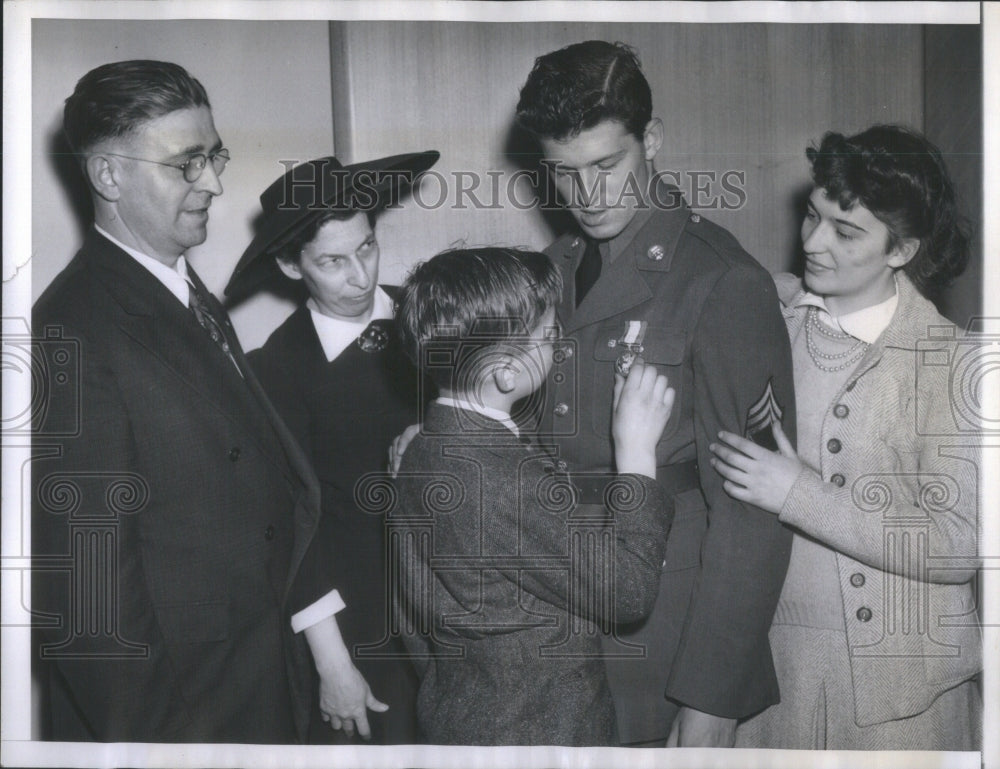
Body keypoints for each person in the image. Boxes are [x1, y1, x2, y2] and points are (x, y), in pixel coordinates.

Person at [32, 60, 375, 743]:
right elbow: (92, 608)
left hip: (258, 691)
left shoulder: (187, 295)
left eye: (212, 157)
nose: (215, 183)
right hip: (183, 722)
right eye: (187, 163)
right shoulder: (69, 328)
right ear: (108, 175)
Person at [512, 40, 796, 747]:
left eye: (608, 166)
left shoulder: (723, 280)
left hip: (664, 639)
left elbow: (753, 511)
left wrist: (710, 699)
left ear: (653, 140)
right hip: (556, 620)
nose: (588, 195)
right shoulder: (551, 268)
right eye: (564, 174)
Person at [709, 125, 982, 749]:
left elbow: (956, 544)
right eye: (813, 215)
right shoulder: (769, 323)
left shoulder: (952, 363)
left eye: (846, 230)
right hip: (773, 678)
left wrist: (797, 493)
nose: (813, 242)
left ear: (901, 251)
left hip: (907, 702)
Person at [393, 246, 676, 745]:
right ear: (505, 372)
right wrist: (636, 456)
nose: (559, 343)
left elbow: (409, 619)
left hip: (462, 717)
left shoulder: (418, 451)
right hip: (542, 733)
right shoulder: (503, 478)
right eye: (548, 337)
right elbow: (628, 591)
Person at [223, 150, 439, 743]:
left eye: (366, 247)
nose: (362, 276)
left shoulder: (438, 316)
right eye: (333, 261)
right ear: (292, 267)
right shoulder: (275, 371)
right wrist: (333, 663)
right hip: (361, 627)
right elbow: (288, 523)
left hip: (463, 607)